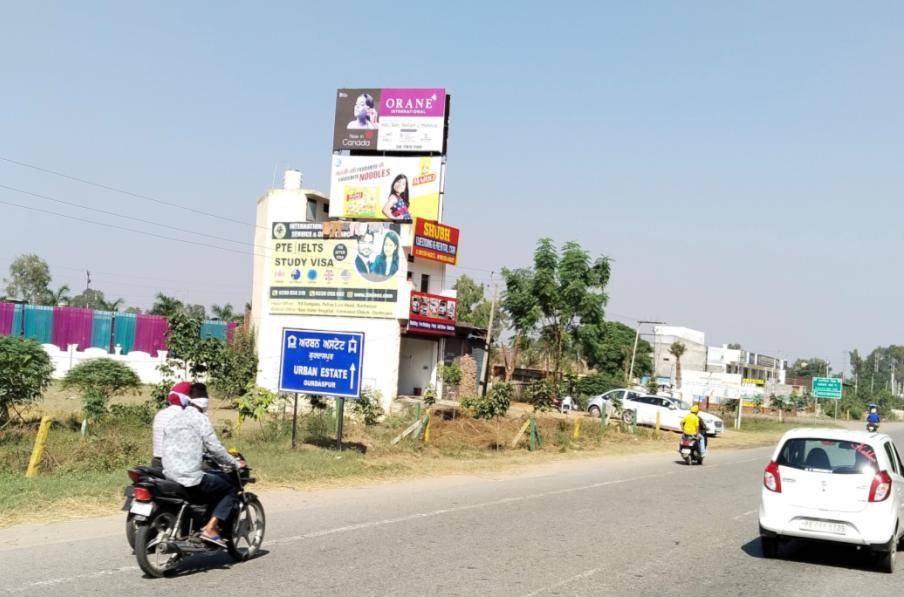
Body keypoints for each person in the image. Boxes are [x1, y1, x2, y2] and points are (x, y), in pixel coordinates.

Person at [162, 383, 244, 548]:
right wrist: (234, 463)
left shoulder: (175, 418)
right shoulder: (200, 419)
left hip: (168, 473)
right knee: (230, 488)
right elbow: (214, 447)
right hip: (189, 477)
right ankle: (210, 528)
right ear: (205, 402)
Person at [151, 381, 191, 468]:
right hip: (175, 463)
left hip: (156, 461)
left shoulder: (160, 414)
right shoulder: (185, 415)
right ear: (186, 400)